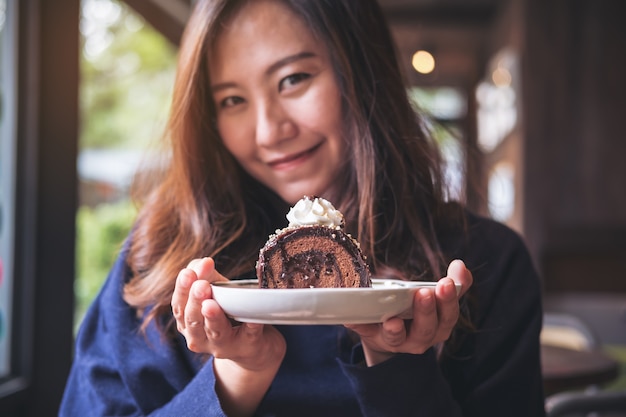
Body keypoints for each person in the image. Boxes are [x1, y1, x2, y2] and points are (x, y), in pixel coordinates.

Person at [59, 0, 546, 416]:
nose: (269, 131)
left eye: (293, 79)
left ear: (362, 71)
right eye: (232, 100)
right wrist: (234, 377)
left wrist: (399, 366)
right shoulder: (160, 262)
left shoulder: (485, 262)